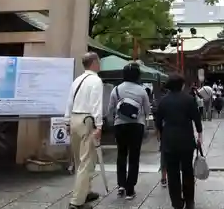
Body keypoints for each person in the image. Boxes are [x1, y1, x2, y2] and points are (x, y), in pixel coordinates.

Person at [156, 74, 203, 209]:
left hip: (169, 140)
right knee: (187, 171)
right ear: (181, 85)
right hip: (186, 139)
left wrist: (161, 134)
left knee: (172, 172)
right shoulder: (189, 99)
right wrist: (199, 135)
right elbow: (196, 119)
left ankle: (176, 202)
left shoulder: (163, 101)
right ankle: (189, 201)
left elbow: (158, 122)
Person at [65, 52, 103, 209]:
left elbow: (69, 101)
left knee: (79, 160)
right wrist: (99, 125)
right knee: (87, 161)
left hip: (74, 118)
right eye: (98, 61)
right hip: (87, 120)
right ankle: (77, 201)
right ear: (94, 62)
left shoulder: (77, 80)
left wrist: (67, 121)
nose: (100, 64)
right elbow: (96, 104)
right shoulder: (96, 80)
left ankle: (86, 191)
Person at [108, 62, 151, 200]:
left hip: (119, 125)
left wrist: (112, 122)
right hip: (136, 126)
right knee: (134, 157)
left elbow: (110, 109)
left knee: (121, 154)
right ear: (138, 75)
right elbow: (147, 110)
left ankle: (121, 185)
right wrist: (147, 125)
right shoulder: (142, 90)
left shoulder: (116, 89)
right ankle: (130, 189)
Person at [152, 85, 168, 187]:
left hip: (164, 132)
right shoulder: (175, 100)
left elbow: (158, 119)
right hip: (175, 131)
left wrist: (158, 132)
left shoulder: (160, 101)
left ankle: (163, 177)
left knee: (164, 155)